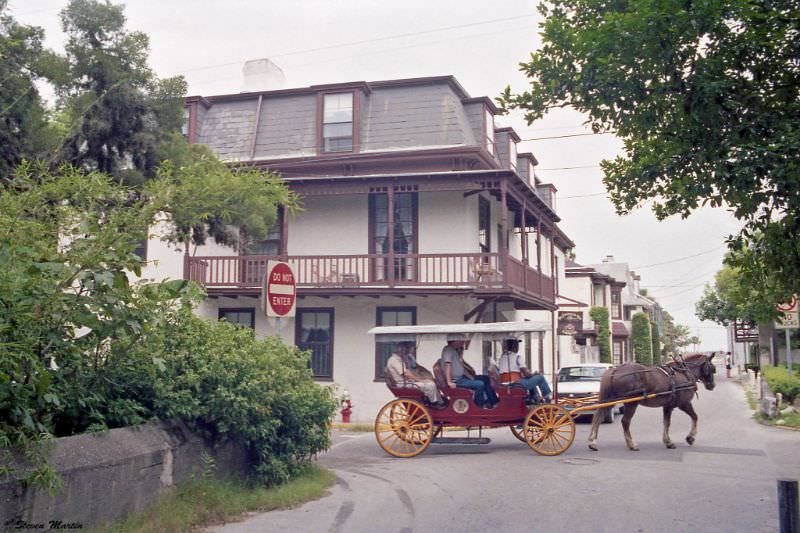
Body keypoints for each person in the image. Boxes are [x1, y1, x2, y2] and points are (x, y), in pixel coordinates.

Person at [440, 337, 498, 408]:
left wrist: (471, 378)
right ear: (456, 341)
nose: (463, 342)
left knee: (485, 378)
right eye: (461, 340)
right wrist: (449, 382)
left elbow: (461, 368)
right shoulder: (448, 350)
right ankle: (480, 406)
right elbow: (447, 364)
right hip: (456, 381)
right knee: (480, 384)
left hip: (461, 378)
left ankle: (493, 401)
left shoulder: (454, 351)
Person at [385, 342, 445, 407]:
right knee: (431, 385)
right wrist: (420, 380)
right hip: (403, 384)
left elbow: (410, 371)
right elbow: (406, 373)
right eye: (404, 350)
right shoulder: (394, 360)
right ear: (400, 350)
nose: (405, 352)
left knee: (431, 382)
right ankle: (434, 404)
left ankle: (440, 402)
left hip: (407, 382)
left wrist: (421, 379)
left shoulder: (399, 359)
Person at [498, 339, 551, 403]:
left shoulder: (502, 357)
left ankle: (535, 398)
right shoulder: (517, 357)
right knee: (540, 378)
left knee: (531, 381)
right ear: (514, 346)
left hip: (504, 383)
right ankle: (547, 398)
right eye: (517, 345)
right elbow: (527, 374)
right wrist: (534, 374)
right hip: (515, 384)